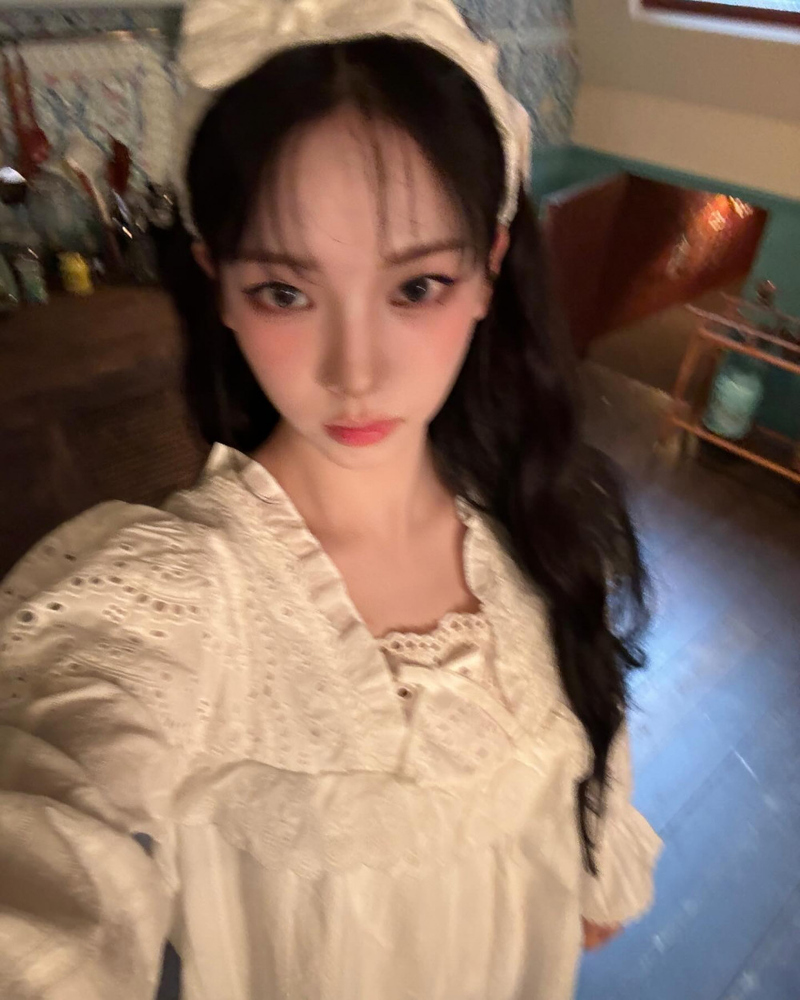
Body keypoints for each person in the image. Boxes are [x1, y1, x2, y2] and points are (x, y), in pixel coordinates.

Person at [0, 1, 662, 997]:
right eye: (286, 292)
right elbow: (47, 807)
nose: (356, 372)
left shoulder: (535, 512)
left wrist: (594, 857)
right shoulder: (176, 595)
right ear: (218, 286)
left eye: (416, 287)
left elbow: (591, 712)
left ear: (487, 270)